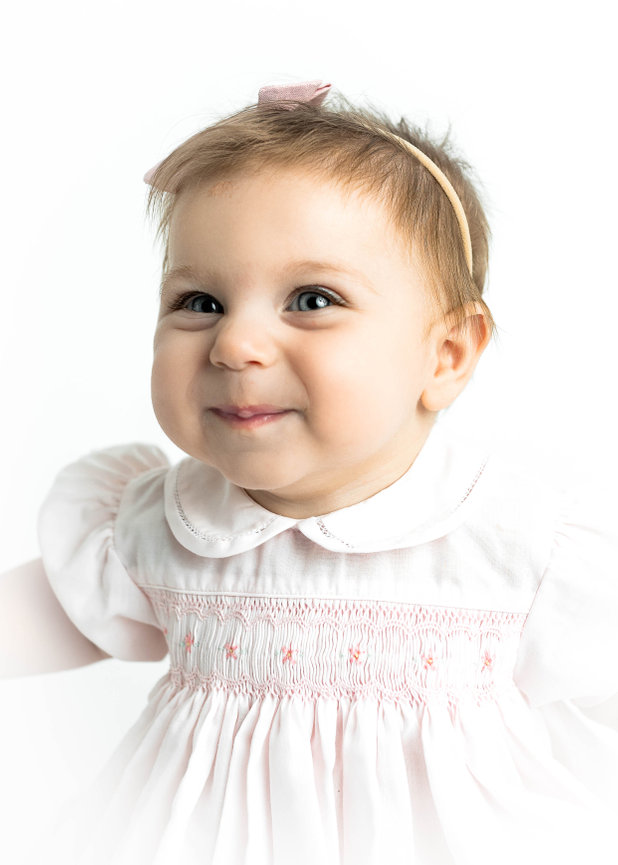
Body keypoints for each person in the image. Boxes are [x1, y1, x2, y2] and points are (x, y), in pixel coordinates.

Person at [2, 80, 617, 865]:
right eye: (200, 301)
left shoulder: (517, 547)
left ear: (446, 355)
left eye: (313, 298)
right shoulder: (168, 523)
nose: (235, 345)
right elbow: (50, 612)